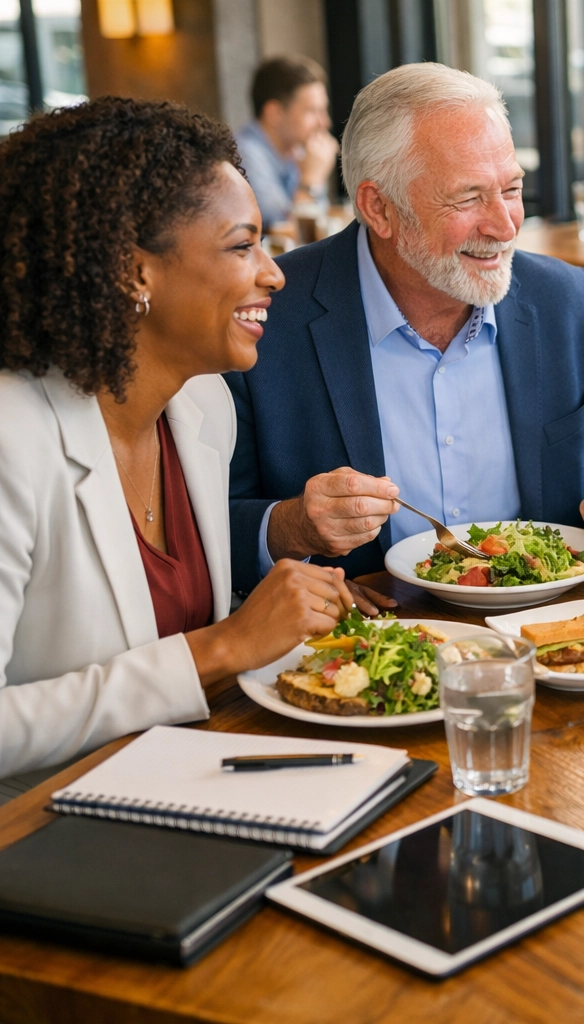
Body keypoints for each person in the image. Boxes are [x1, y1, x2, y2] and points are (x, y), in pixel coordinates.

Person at [0, 98, 354, 790]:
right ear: (135, 272)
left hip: (199, 785)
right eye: (241, 245)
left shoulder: (202, 405)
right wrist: (219, 648)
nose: (274, 273)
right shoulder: (13, 438)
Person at [226, 63, 584, 602]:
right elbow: (206, 527)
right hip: (371, 646)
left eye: (511, 188)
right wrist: (291, 526)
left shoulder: (566, 300)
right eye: (467, 198)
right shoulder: (267, 316)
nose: (505, 226)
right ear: (379, 207)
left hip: (551, 630)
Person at [234, 55, 339, 231]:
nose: (325, 122)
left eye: (323, 110)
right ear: (274, 113)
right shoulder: (244, 154)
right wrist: (311, 181)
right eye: (313, 111)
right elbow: (282, 232)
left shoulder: (296, 152)